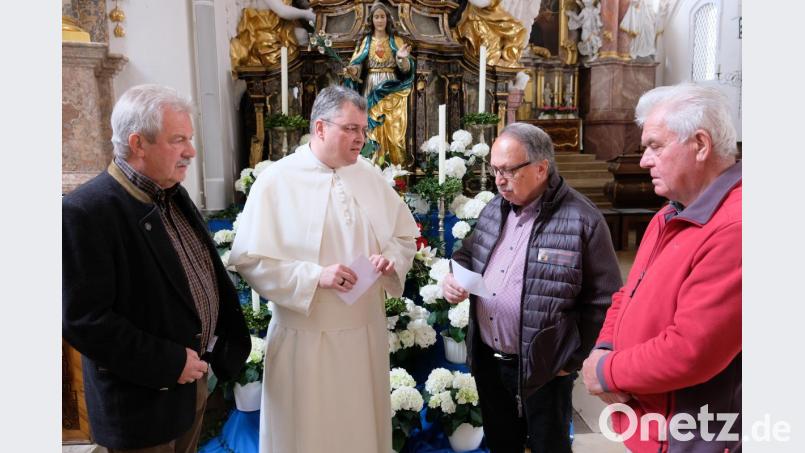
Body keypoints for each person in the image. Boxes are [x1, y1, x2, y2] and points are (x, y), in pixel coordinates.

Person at [228, 85, 419, 453]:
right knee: (309, 435)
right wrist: (316, 276)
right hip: (306, 339)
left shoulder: (369, 176)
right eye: (351, 129)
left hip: (364, 335)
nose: (361, 139)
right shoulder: (277, 180)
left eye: (363, 130)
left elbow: (403, 236)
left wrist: (389, 259)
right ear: (320, 128)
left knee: (359, 431)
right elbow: (250, 259)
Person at [62, 84, 251, 452]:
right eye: (178, 139)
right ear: (138, 143)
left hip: (187, 391)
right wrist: (169, 362)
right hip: (141, 405)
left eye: (190, 139)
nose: (191, 152)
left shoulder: (171, 192)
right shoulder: (87, 211)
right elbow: (85, 320)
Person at [442, 122, 622, 452]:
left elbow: (605, 300)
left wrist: (572, 361)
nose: (498, 180)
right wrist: (454, 277)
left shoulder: (582, 219)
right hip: (491, 363)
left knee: (548, 447)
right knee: (501, 444)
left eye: (508, 170)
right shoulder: (494, 209)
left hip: (546, 368)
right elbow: (468, 252)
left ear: (541, 168)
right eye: (495, 169)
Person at [581, 83, 742, 452]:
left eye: (655, 146)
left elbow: (691, 351)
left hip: (694, 435)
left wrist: (606, 372)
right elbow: (628, 293)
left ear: (700, 144)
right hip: (652, 425)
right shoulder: (672, 212)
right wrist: (604, 348)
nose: (643, 161)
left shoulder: (735, 227)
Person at [344, 1, 414, 166]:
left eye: (382, 16)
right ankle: (373, 165)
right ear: (372, 20)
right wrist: (353, 71)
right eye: (376, 17)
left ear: (388, 19)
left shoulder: (395, 40)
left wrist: (403, 58)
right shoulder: (366, 41)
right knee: (372, 129)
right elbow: (357, 65)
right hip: (371, 87)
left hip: (391, 89)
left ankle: (396, 169)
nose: (380, 20)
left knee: (394, 132)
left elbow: (405, 70)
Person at [457, 0, 528, 68]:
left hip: (492, 15)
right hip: (475, 16)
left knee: (516, 29)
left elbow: (486, 3)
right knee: (485, 43)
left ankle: (508, 59)